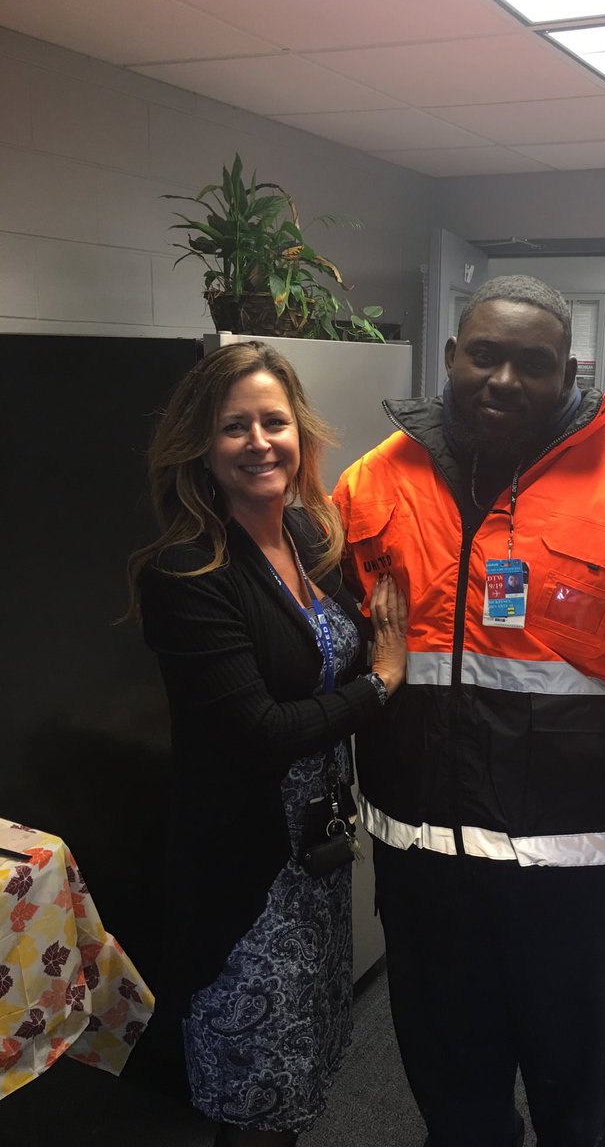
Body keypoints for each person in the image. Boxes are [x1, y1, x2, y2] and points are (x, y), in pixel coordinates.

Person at [332, 276, 605, 1147]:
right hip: (423, 869)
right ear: (451, 356)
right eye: (484, 355)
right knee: (451, 1097)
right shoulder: (372, 484)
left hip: (576, 883)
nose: (502, 379)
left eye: (531, 364)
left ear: (570, 372)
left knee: (582, 1100)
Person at [126, 342, 408, 1147]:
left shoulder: (308, 543)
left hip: (311, 868)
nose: (259, 442)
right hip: (245, 881)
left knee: (300, 1076)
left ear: (301, 434)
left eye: (274, 422)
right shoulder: (187, 573)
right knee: (252, 1096)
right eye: (233, 427)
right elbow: (259, 733)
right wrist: (381, 682)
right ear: (200, 449)